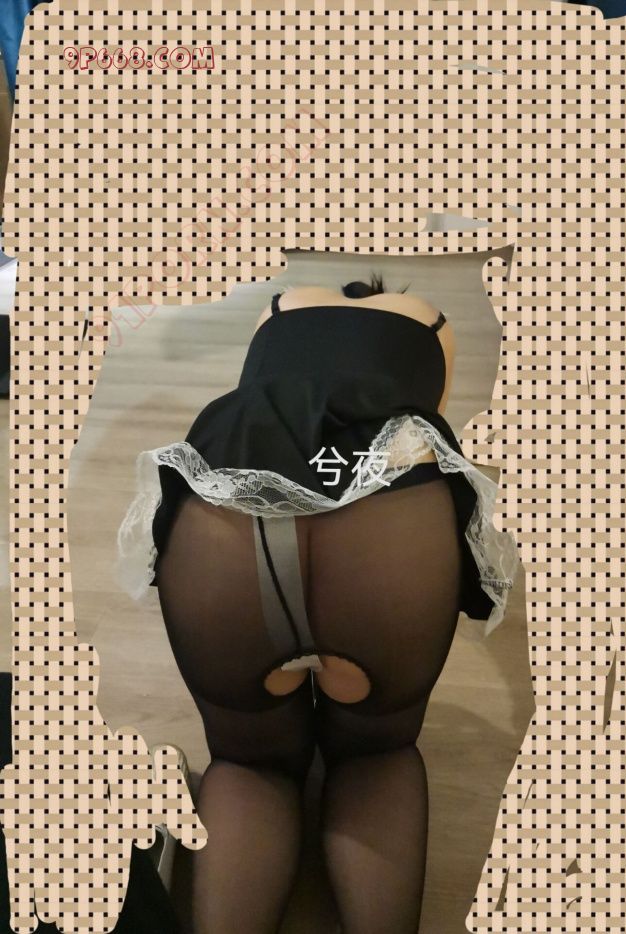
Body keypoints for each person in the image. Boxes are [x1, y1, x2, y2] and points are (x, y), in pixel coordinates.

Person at [116, 273, 518, 934]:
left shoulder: (279, 307)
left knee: (248, 761)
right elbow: (424, 426)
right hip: (387, 536)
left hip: (228, 516)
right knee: (375, 755)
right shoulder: (430, 319)